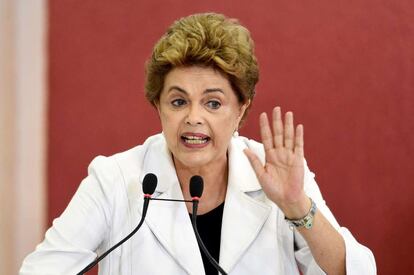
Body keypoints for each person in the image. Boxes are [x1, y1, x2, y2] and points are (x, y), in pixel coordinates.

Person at [20, 13, 376, 275]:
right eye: (178, 101)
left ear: (241, 110)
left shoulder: (274, 172)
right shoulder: (114, 179)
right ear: (157, 106)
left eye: (213, 102)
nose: (193, 117)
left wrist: (297, 206)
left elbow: (353, 272)